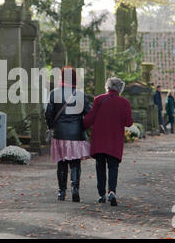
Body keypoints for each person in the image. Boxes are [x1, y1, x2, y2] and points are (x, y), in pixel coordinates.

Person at [83, 77, 133, 206]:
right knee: (113, 166)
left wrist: (80, 126)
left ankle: (101, 194)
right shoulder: (125, 102)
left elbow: (90, 118)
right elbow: (128, 123)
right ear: (120, 88)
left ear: (107, 87)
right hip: (115, 139)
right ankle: (112, 191)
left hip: (99, 138)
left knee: (100, 165)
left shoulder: (98, 99)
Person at [45, 66, 91, 202]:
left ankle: (61, 192)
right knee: (75, 163)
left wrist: (52, 126)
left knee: (62, 163)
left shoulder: (54, 93)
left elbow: (48, 113)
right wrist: (83, 126)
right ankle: (75, 189)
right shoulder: (81, 95)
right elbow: (89, 114)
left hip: (60, 134)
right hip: (76, 134)